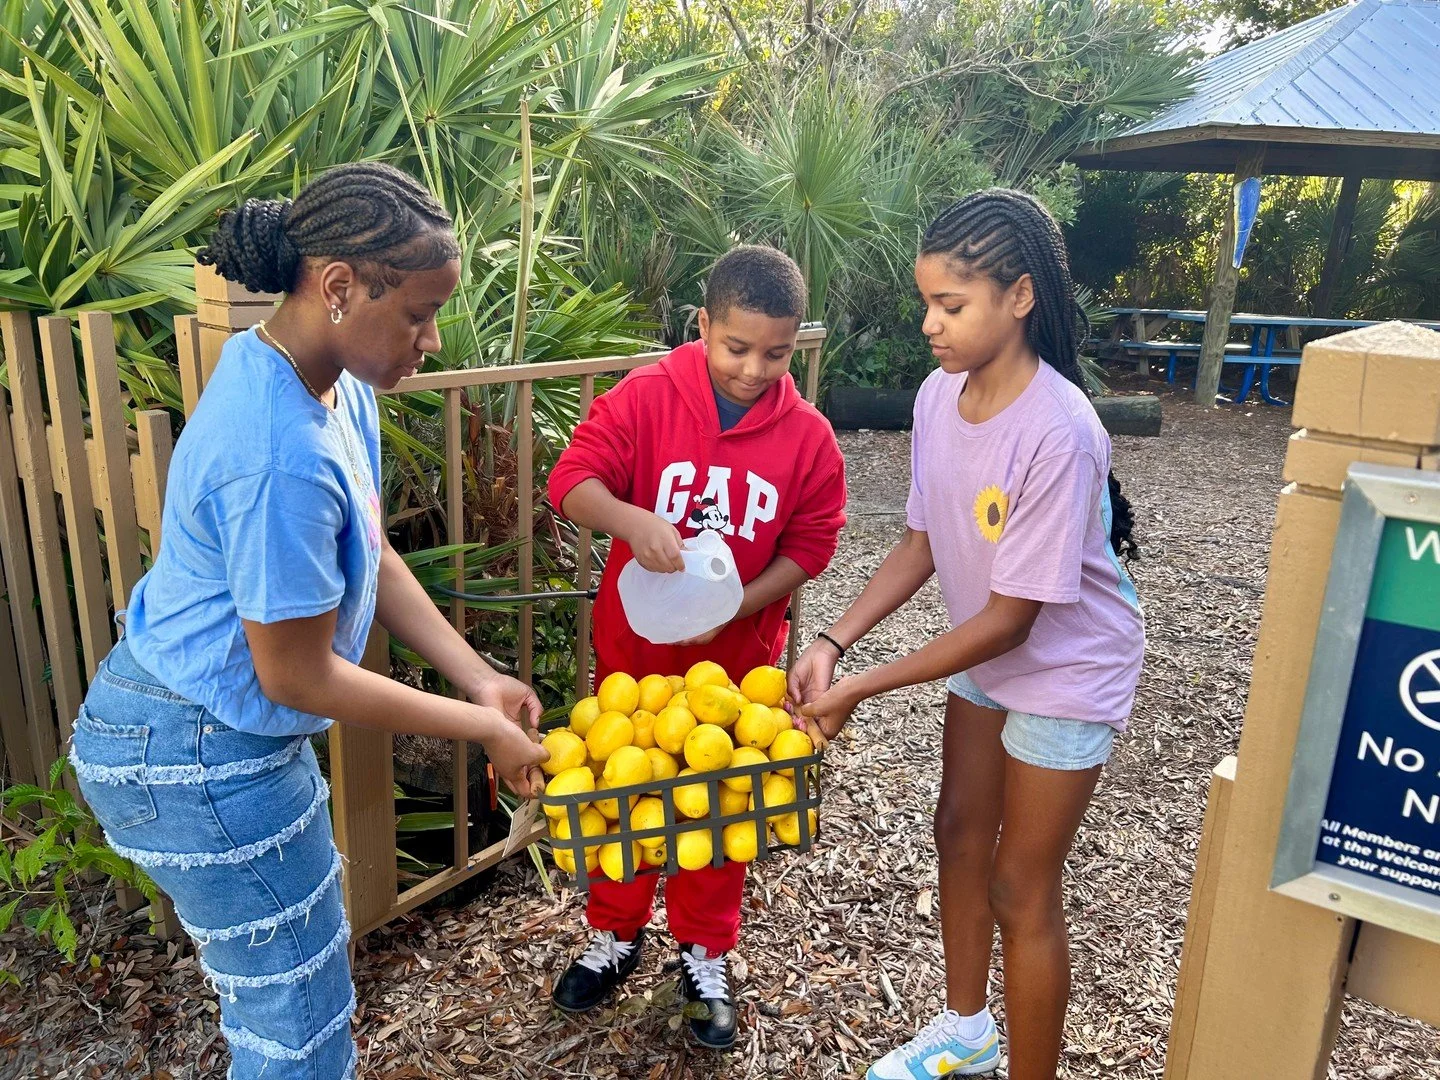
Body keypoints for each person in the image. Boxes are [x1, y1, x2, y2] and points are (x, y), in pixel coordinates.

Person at [68, 163, 549, 1080]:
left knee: (295, 998)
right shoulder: (275, 447)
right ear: (338, 287)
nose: (433, 340)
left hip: (215, 728)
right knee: (298, 1022)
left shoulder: (330, 379)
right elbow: (296, 675)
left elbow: (371, 544)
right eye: (416, 314)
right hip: (193, 752)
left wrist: (477, 676)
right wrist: (481, 728)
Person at [788, 189, 1143, 1080]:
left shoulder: (1060, 431)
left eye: (952, 306)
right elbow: (922, 540)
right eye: (927, 304)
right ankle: (967, 1029)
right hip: (989, 650)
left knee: (1022, 886)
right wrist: (835, 639)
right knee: (957, 828)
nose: (930, 326)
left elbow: (1012, 619)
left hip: (1066, 668)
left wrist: (860, 688)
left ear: (1019, 296)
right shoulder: (940, 398)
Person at [545, 245, 847, 1049]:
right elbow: (571, 480)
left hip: (738, 668)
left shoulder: (809, 438)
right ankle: (613, 935)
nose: (754, 369)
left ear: (795, 341)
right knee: (621, 801)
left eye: (776, 353)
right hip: (634, 666)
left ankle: (705, 954)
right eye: (736, 347)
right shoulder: (646, 398)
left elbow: (813, 542)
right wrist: (630, 519)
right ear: (703, 324)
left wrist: (739, 604)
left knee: (718, 813)